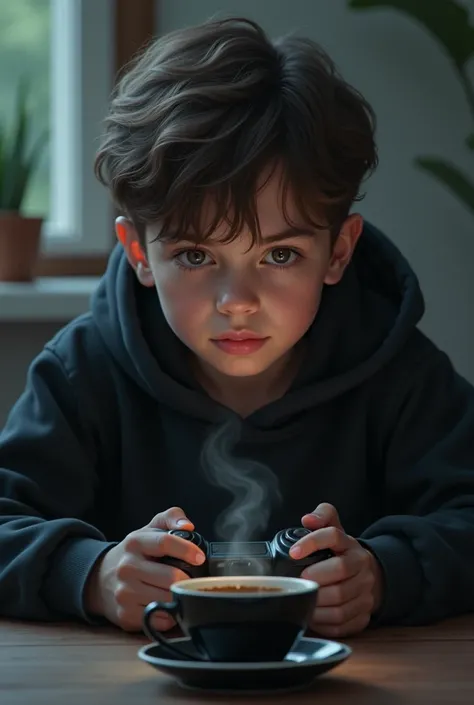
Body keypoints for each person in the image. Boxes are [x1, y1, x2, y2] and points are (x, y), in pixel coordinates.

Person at [1, 16, 473, 640]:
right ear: (140, 254)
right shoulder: (80, 372)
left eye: (280, 255)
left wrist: (386, 573)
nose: (238, 302)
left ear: (337, 252)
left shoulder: (401, 374)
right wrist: (92, 573)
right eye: (196, 256)